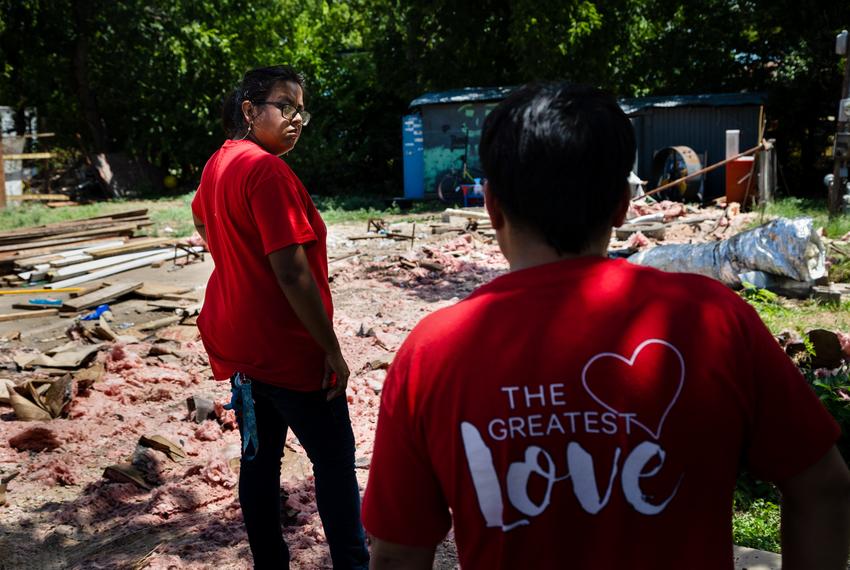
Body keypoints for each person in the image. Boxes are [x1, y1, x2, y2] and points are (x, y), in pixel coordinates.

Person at [361, 83, 850, 569]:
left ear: (491, 206)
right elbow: (823, 486)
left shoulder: (434, 351)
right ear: (622, 204)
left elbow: (399, 553)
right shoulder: (715, 319)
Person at [191, 65, 369, 569]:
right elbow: (292, 274)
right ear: (250, 111)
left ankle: (271, 564)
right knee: (334, 462)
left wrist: (233, 257)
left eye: (300, 110)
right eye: (283, 106)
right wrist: (331, 350)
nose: (294, 119)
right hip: (290, 353)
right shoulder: (266, 171)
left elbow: (200, 215)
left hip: (244, 348)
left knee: (259, 462)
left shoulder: (220, 163)